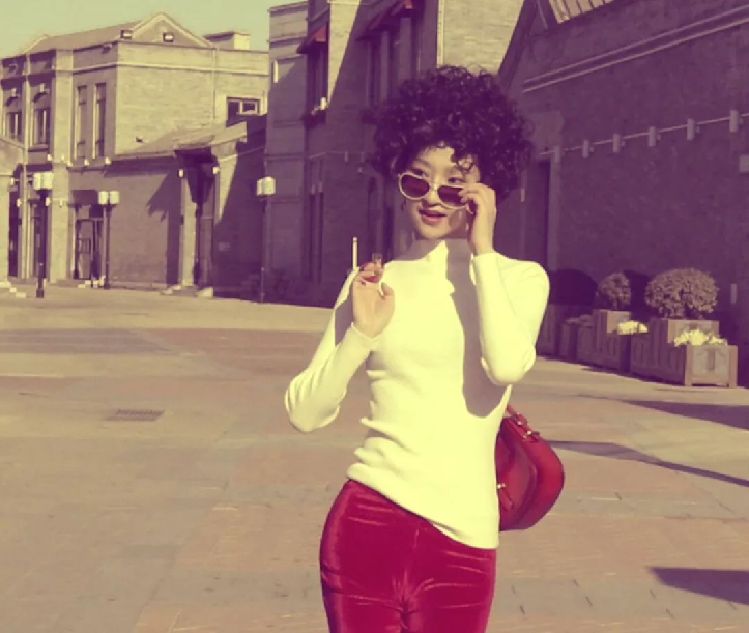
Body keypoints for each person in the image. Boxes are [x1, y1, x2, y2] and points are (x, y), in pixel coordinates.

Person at [284, 65, 550, 633]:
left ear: (486, 190)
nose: (433, 197)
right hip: (366, 525)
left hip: (463, 537)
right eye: (417, 180)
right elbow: (305, 412)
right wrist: (362, 334)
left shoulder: (519, 280)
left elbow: (505, 364)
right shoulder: (374, 283)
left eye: (454, 184)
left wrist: (482, 251)